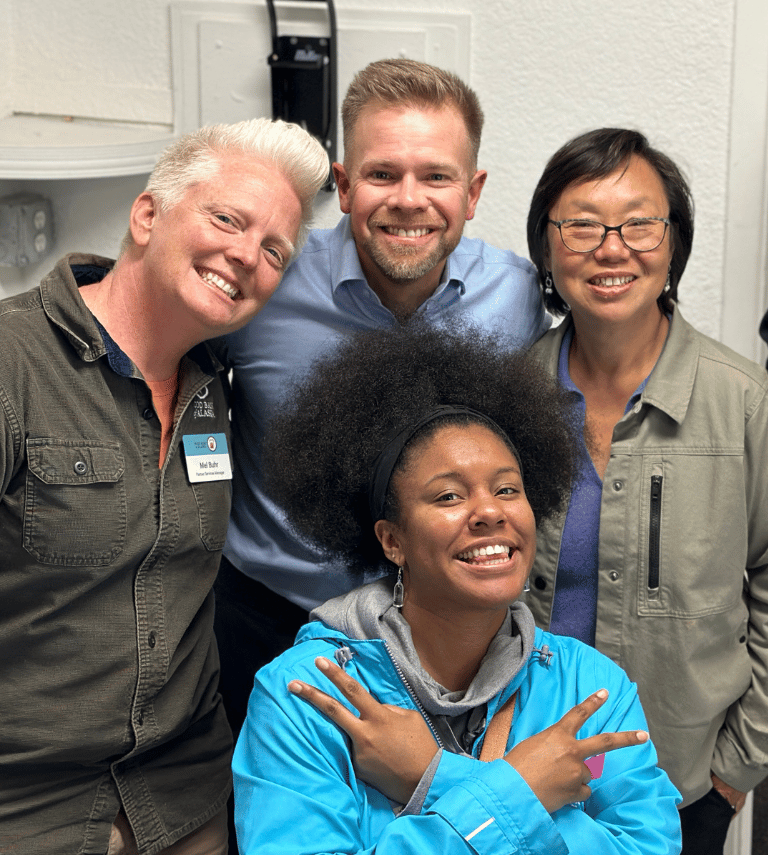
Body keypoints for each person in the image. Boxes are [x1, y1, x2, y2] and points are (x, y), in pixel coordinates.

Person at [0, 118, 328, 855]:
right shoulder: (12, 366)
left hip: (185, 800)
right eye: (226, 219)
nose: (246, 254)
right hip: (27, 809)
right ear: (148, 214)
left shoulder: (216, 388)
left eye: (274, 250)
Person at [231, 322, 682, 855]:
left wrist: (434, 775)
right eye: (448, 497)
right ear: (392, 541)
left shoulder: (591, 688)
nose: (490, 511)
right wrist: (520, 792)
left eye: (507, 489)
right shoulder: (308, 698)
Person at [211, 58, 549, 739]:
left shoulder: (515, 299)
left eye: (436, 176)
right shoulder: (265, 283)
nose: (408, 198)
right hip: (270, 617)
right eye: (382, 173)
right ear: (342, 185)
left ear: (474, 191)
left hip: (443, 627)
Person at [524, 127, 768, 854]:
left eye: (640, 222)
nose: (612, 247)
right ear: (546, 245)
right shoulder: (505, 398)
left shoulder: (746, 403)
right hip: (518, 772)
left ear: (673, 243)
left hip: (682, 784)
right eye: (582, 225)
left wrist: (735, 770)